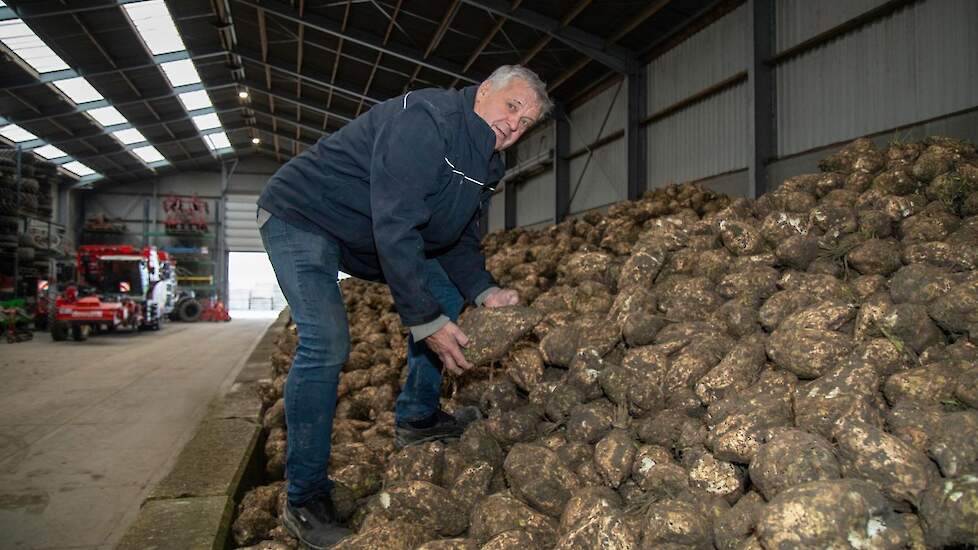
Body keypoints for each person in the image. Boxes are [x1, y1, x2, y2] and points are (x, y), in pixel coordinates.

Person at [256, 65, 553, 549]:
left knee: (450, 294)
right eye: (512, 107)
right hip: (303, 216)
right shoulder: (427, 120)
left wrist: (484, 290)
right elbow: (396, 225)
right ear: (483, 93)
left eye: (525, 124)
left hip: (363, 234)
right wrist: (424, 319)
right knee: (326, 342)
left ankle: (417, 417)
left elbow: (455, 238)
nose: (514, 126)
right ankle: (304, 496)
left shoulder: (487, 163)